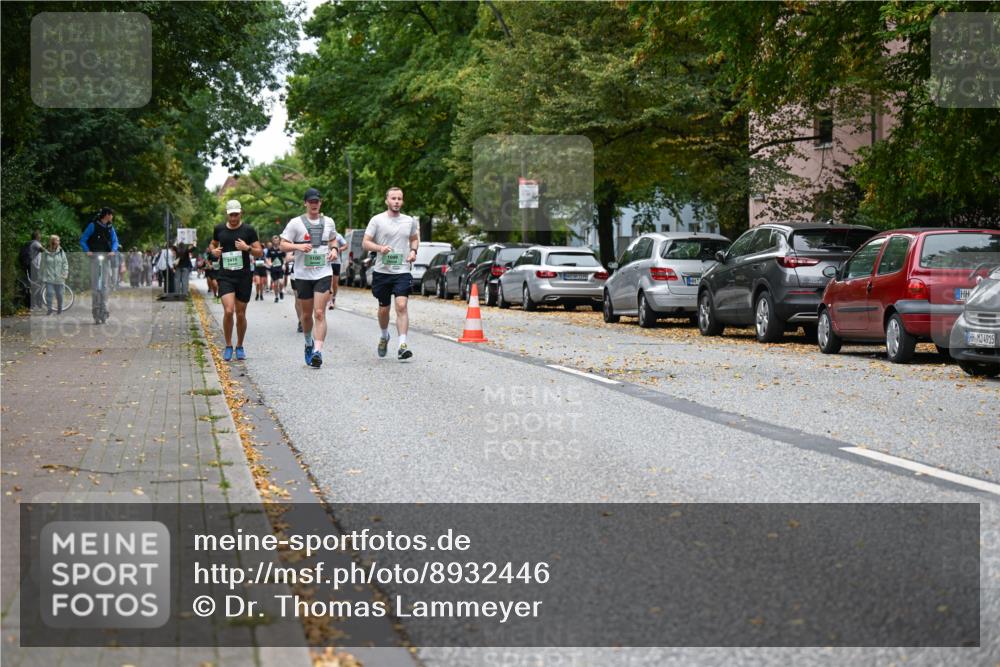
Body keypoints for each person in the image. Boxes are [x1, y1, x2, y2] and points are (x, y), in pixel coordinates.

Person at [280, 187, 339, 368]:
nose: (314, 204)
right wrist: (298, 247)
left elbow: (333, 239)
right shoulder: (295, 223)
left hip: (323, 272)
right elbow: (283, 245)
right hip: (303, 274)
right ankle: (308, 343)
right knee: (306, 315)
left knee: (319, 313)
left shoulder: (328, 222)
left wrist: (334, 249)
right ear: (306, 203)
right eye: (311, 201)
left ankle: (318, 352)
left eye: (317, 201)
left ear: (320, 203)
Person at [363, 187, 419, 360]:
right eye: (393, 198)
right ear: (386, 200)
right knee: (383, 309)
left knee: (401, 306)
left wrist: (413, 252)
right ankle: (384, 335)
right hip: (382, 272)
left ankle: (402, 345)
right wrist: (380, 248)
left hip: (402, 270)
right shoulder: (377, 220)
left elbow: (414, 239)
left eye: (399, 199)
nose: (396, 201)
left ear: (402, 201)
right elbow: (365, 243)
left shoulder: (409, 221)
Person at [211, 200, 262, 361]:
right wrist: (214, 251)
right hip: (225, 276)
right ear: (227, 214)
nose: (234, 217)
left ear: (241, 213)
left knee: (240, 314)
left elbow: (259, 252)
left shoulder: (248, 230)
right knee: (228, 311)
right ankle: (228, 345)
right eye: (231, 214)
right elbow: (212, 245)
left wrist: (247, 248)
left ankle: (239, 345)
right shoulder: (219, 229)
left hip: (243, 276)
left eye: (236, 214)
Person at [79, 206, 119, 324]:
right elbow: (83, 239)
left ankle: (105, 311)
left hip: (106, 258)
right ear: (106, 215)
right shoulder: (93, 225)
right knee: (96, 287)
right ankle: (96, 312)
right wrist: (87, 250)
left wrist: (113, 250)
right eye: (111, 214)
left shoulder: (110, 227)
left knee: (105, 286)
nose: (112, 217)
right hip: (95, 258)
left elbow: (115, 241)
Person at [39, 235, 69, 315]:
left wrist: (65, 273)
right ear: (52, 242)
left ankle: (59, 308)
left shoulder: (61, 252)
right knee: (49, 293)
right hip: (49, 277)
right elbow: (42, 265)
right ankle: (49, 309)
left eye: (59, 241)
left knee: (59, 294)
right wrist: (41, 275)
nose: (59, 242)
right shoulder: (45, 253)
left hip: (60, 277)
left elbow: (65, 264)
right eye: (57, 240)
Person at [18, 228, 45, 309]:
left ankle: (35, 303)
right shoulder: (36, 243)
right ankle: (34, 304)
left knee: (35, 284)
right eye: (39, 234)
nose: (40, 236)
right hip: (33, 267)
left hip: (31, 266)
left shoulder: (32, 243)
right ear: (37, 236)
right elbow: (43, 250)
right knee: (37, 284)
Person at [329, 231, 348, 310]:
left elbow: (346, 245)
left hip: (336, 262)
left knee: (335, 283)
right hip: (327, 262)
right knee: (329, 281)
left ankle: (333, 298)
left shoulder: (338, 235)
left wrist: (339, 249)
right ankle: (330, 301)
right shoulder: (324, 234)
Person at [266, 236, 286, 303]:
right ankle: (276, 297)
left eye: (277, 240)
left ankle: (281, 291)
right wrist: (269, 263)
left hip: (280, 268)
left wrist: (284, 265)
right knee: (275, 283)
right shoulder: (270, 250)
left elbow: (284, 258)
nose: (276, 242)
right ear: (272, 241)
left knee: (281, 282)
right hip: (273, 268)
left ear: (279, 241)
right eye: (274, 240)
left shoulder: (281, 248)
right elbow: (268, 259)